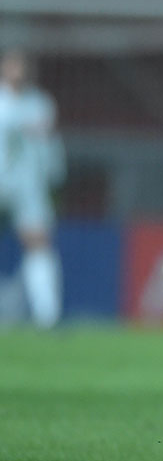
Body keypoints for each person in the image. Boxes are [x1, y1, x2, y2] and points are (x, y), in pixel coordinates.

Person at [0, 50, 65, 329]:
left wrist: (54, 176)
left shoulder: (40, 104)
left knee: (38, 241)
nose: (18, 70)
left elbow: (49, 144)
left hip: (28, 183)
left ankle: (47, 316)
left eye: (22, 65)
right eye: (12, 65)